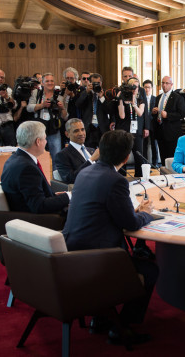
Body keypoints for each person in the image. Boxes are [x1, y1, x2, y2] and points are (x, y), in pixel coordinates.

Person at [62, 130, 157, 343]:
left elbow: (104, 210)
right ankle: (122, 327)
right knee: (150, 270)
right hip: (96, 256)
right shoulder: (116, 180)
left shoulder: (85, 173)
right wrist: (146, 214)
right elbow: (130, 224)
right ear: (126, 158)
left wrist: (134, 211)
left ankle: (101, 318)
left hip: (70, 249)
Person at [0, 121, 70, 214]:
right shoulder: (27, 168)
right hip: (37, 221)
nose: (46, 142)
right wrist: (68, 196)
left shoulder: (14, 159)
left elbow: (31, 195)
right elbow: (39, 206)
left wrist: (54, 196)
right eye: (45, 138)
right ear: (38, 141)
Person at [27, 73, 69, 170]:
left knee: (56, 156)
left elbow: (66, 116)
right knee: (38, 156)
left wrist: (62, 108)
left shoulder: (60, 94)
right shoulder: (36, 93)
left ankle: (56, 181)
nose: (50, 83)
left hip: (54, 128)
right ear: (42, 83)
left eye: (52, 81)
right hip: (39, 129)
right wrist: (42, 105)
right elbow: (29, 108)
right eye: (47, 81)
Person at [115, 77, 148, 177]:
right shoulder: (124, 98)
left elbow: (140, 113)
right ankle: (121, 177)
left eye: (136, 87)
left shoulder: (140, 99)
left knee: (139, 156)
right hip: (124, 132)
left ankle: (139, 176)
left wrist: (134, 104)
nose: (134, 89)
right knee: (122, 155)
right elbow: (122, 116)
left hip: (136, 132)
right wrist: (120, 101)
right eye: (132, 87)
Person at [151, 76, 185, 166]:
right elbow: (156, 113)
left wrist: (168, 115)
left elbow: (182, 114)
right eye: (163, 83)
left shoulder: (177, 97)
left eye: (167, 83)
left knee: (171, 157)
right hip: (160, 131)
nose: (164, 85)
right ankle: (163, 172)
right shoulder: (158, 97)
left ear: (171, 85)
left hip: (172, 132)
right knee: (162, 156)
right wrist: (154, 112)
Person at [54, 118, 99, 183]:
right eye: (76, 131)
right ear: (67, 134)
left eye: (83, 130)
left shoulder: (92, 150)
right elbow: (70, 178)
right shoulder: (62, 155)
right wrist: (91, 160)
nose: (81, 133)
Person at [76, 73, 112, 149]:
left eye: (98, 83)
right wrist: (86, 92)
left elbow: (109, 110)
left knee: (103, 151)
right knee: (88, 151)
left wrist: (101, 97)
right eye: (94, 83)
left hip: (102, 128)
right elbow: (78, 105)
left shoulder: (106, 93)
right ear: (89, 83)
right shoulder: (85, 93)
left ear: (101, 83)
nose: (96, 85)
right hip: (89, 127)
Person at [142, 79, 159, 166]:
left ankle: (155, 163)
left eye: (148, 87)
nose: (147, 89)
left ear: (152, 88)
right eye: (145, 87)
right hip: (144, 125)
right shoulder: (140, 99)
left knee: (154, 144)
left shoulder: (155, 99)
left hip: (153, 124)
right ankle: (144, 163)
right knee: (143, 145)